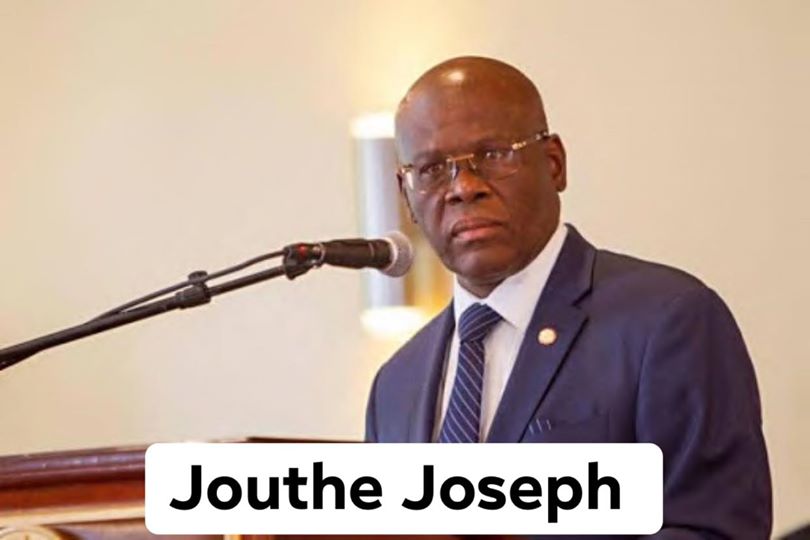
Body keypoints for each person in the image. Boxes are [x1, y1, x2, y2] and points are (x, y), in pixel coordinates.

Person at [364, 56, 772, 538]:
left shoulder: (668, 321)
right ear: (406, 195)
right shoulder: (396, 385)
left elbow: (714, 528)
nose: (464, 188)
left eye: (493, 154)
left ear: (554, 163)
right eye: (433, 169)